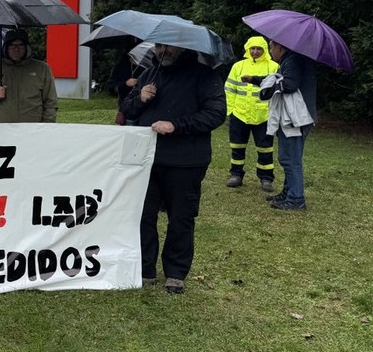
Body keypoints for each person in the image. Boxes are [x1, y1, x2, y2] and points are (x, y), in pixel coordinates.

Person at [121, 43, 226, 294]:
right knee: (143, 215)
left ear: (184, 47)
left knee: (181, 216)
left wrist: (176, 125)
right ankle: (145, 269)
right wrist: (140, 98)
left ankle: (175, 273)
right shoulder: (149, 73)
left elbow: (216, 114)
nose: (162, 51)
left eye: (169, 46)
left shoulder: (204, 75)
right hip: (147, 158)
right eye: (158, 45)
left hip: (186, 160)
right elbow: (126, 109)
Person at [259, 40, 316, 211]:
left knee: (291, 159)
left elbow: (289, 84)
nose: (270, 52)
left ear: (280, 47)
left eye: (271, 48)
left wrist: (271, 85)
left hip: (296, 118)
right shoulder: (293, 59)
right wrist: (257, 80)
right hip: (296, 117)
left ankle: (296, 198)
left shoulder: (292, 60)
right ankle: (288, 192)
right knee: (288, 158)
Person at [224, 36, 279, 191]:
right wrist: (231, 111)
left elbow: (276, 93)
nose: (255, 51)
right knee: (237, 146)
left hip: (264, 116)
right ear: (247, 49)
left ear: (264, 50)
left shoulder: (273, 67)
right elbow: (229, 89)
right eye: (252, 48)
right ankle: (236, 175)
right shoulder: (238, 66)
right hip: (239, 114)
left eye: (259, 48)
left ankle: (266, 178)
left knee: (265, 148)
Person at [0, 28, 58, 123]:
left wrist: (47, 126)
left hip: (33, 130)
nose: (16, 49)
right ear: (5, 48)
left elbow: (50, 102)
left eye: (20, 45)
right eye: (12, 45)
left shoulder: (42, 69)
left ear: (27, 47)